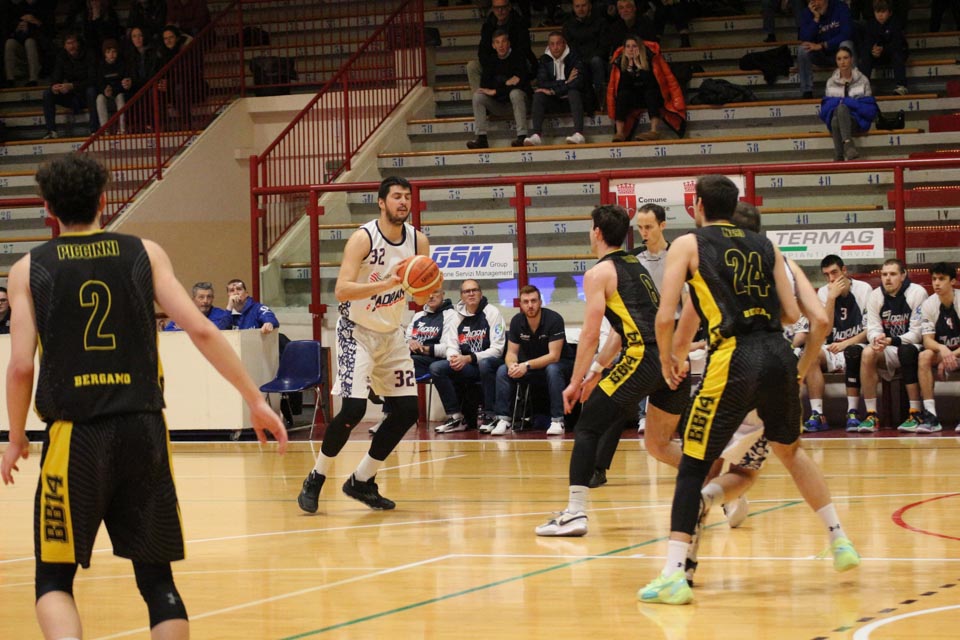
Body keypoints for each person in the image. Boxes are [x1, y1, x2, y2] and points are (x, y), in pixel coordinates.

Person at [0, 153, 287, 640]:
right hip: (144, 430)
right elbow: (201, 329)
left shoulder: (29, 269)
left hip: (74, 437)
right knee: (158, 581)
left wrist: (14, 437)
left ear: (47, 208)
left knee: (53, 580)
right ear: (104, 201)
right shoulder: (144, 253)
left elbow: (21, 365)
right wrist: (254, 398)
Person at [638, 174, 858, 605]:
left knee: (694, 465)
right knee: (790, 451)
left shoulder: (690, 243)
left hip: (733, 357)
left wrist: (666, 359)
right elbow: (793, 312)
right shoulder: (767, 246)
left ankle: (674, 574)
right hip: (778, 354)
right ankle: (838, 537)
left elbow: (666, 317)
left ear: (698, 206)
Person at [535, 204, 691, 537]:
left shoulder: (599, 273)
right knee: (659, 444)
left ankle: (575, 513)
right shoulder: (636, 265)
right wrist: (596, 370)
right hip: (669, 360)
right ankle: (718, 483)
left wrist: (574, 381)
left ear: (596, 232)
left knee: (587, 426)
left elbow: (591, 334)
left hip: (644, 357)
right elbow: (621, 330)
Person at [298, 176, 433, 513]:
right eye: (396, 196)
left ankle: (362, 479)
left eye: (407, 197)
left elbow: (420, 296)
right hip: (356, 332)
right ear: (381, 202)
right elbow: (341, 290)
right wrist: (385, 284)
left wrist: (426, 284)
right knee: (354, 410)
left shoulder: (418, 240)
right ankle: (316, 476)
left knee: (407, 410)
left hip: (392, 334)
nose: (403, 202)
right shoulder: (364, 238)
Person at [591, 203, 683, 488]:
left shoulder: (678, 258)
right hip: (639, 340)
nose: (644, 232)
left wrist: (685, 345)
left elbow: (691, 306)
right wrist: (598, 364)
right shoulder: (631, 260)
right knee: (617, 403)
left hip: (676, 338)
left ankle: (705, 469)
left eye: (649, 227)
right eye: (640, 227)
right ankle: (597, 467)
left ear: (662, 226)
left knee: (669, 429)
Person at [482, 284, 575, 436]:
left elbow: (554, 356)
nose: (530, 305)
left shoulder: (554, 319)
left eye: (533, 301)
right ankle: (503, 420)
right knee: (503, 370)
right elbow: (511, 353)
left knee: (552, 369)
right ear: (520, 304)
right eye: (526, 302)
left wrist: (525, 365)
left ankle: (557, 421)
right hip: (530, 366)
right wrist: (512, 365)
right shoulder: (517, 321)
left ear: (540, 302)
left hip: (560, 365)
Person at [852, 258, 926, 432]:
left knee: (907, 351)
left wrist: (892, 340)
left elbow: (917, 333)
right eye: (884, 274)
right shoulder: (875, 295)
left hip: (913, 346)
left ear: (903, 276)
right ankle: (872, 415)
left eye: (892, 274)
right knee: (867, 353)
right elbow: (872, 328)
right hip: (888, 347)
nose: (887, 278)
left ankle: (915, 413)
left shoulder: (917, 292)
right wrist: (877, 340)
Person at [369, 288, 456, 435]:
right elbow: (405, 339)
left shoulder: (451, 315)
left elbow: (448, 347)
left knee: (397, 368)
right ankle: (388, 415)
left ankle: (455, 417)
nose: (430, 296)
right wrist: (409, 343)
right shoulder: (418, 316)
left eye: (435, 292)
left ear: (443, 294)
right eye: (427, 293)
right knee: (390, 364)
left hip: (436, 359)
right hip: (414, 359)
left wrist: (423, 348)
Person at [801, 255, 872, 432]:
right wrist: (831, 299)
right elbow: (825, 332)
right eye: (827, 275)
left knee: (853, 351)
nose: (831, 279)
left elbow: (870, 330)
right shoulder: (824, 292)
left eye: (834, 272)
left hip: (857, 345)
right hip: (833, 346)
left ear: (844, 271)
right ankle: (817, 414)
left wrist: (846, 343)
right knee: (810, 355)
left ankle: (852, 412)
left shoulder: (864, 289)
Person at [431, 279, 506, 432]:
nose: (471, 294)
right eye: (466, 291)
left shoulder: (492, 312)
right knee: (436, 368)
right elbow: (451, 345)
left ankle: (490, 415)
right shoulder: (457, 317)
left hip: (491, 364)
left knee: (485, 364)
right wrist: (454, 358)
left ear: (481, 293)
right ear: (461, 296)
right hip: (468, 366)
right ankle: (456, 417)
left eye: (474, 290)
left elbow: (497, 349)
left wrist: (469, 358)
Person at [906, 263, 960, 433]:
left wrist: (951, 355)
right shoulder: (929, 304)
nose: (936, 283)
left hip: (957, 352)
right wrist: (943, 350)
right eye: (934, 279)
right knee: (924, 356)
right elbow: (927, 341)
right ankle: (931, 415)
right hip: (946, 352)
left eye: (942, 279)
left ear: (953, 281)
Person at [606, 36, 685, 141]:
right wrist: (629, 66)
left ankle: (654, 131)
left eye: (634, 46)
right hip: (633, 99)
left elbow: (652, 82)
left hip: (653, 96)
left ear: (640, 47)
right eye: (628, 46)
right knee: (622, 95)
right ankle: (620, 133)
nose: (631, 49)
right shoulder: (619, 62)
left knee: (650, 92)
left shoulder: (651, 57)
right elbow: (621, 87)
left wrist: (638, 64)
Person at [467, 29, 532, 149]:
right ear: (493, 45)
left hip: (519, 104)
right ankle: (482, 138)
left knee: (515, 93)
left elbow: (521, 84)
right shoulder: (491, 61)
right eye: (497, 42)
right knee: (478, 96)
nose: (501, 45)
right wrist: (506, 83)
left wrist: (496, 90)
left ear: (508, 43)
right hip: (499, 104)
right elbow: (485, 85)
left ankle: (522, 136)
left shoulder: (518, 57)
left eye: (503, 41)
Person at [523, 31, 587, 146]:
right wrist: (566, 82)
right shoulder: (545, 59)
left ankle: (579, 134)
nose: (555, 47)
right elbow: (542, 83)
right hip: (554, 101)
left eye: (558, 43)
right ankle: (536, 135)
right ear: (548, 45)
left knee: (573, 92)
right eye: (552, 44)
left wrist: (553, 91)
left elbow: (577, 83)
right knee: (538, 94)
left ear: (564, 44)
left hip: (572, 100)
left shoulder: (574, 57)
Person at [819, 46, 876, 162]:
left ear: (851, 59)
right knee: (838, 115)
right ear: (836, 61)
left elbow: (870, 110)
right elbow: (824, 110)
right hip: (838, 118)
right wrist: (846, 103)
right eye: (839, 59)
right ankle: (848, 146)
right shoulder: (830, 82)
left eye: (845, 58)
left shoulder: (863, 80)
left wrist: (845, 102)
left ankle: (839, 155)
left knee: (840, 112)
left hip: (856, 120)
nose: (842, 62)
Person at [467, 0, 536, 93]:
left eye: (503, 7)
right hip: (494, 63)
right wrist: (494, 67)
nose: (500, 11)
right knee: (472, 66)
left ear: (509, 7)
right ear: (492, 8)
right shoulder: (488, 25)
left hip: (515, 63)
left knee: (523, 66)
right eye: (496, 8)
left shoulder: (519, 24)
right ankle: (480, 97)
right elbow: (483, 52)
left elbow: (523, 50)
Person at [41, 30, 98, 139]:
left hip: (85, 94)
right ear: (64, 46)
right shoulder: (62, 56)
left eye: (73, 42)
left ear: (78, 43)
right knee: (48, 93)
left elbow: (93, 79)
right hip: (71, 96)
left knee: (91, 90)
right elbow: (56, 76)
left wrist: (72, 86)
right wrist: (55, 86)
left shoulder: (89, 54)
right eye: (68, 43)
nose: (71, 46)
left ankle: (94, 130)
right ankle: (51, 131)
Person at [796, 0, 855, 99]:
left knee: (847, 44)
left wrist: (824, 45)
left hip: (838, 51)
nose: (815, 3)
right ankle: (807, 91)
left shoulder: (840, 7)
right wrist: (816, 19)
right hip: (820, 54)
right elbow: (804, 38)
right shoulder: (807, 13)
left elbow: (847, 33)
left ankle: (851, 87)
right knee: (803, 49)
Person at [562, 0, 607, 110]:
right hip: (578, 60)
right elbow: (568, 48)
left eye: (583, 5)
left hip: (597, 59)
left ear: (590, 6)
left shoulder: (601, 22)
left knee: (596, 61)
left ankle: (601, 100)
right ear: (573, 8)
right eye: (577, 6)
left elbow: (604, 46)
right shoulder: (568, 25)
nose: (580, 9)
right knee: (576, 64)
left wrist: (589, 58)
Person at [859, 0, 908, 96]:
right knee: (865, 56)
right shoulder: (871, 24)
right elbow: (867, 42)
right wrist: (872, 50)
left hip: (892, 53)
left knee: (897, 54)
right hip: (877, 55)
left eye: (883, 12)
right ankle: (862, 87)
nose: (880, 15)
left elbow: (897, 44)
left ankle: (901, 86)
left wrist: (884, 49)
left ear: (890, 13)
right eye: (877, 12)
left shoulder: (895, 23)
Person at [4, 0, 55, 87]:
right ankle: (10, 79)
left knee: (29, 42)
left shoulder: (44, 7)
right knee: (10, 43)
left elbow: (50, 31)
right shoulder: (18, 8)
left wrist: (36, 22)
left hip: (40, 47)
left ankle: (33, 79)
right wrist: (18, 27)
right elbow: (9, 28)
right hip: (22, 44)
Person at [162, 281, 232, 331]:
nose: (205, 301)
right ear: (193, 299)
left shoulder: (221, 315)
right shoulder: (183, 316)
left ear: (213, 299)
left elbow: (220, 331)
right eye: (201, 297)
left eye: (209, 297)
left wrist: (186, 329)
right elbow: (168, 332)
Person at [94, 38, 126, 134]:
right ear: (105, 54)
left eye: (113, 51)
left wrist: (114, 90)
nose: (111, 54)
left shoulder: (122, 64)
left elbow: (123, 82)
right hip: (106, 95)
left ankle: (122, 129)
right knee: (99, 98)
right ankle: (105, 130)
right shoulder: (100, 66)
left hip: (118, 94)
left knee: (120, 97)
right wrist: (104, 90)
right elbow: (98, 82)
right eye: (108, 52)